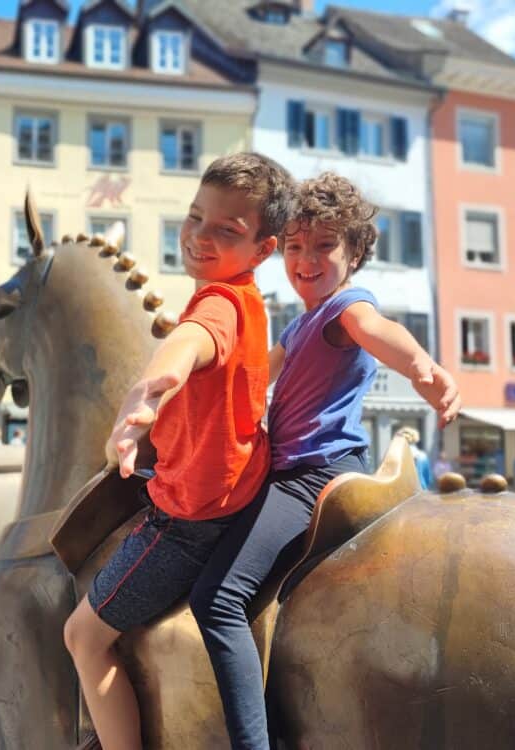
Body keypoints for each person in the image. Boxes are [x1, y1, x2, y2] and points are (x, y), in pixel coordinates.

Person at [188, 172, 461, 749]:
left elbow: (380, 332)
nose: (305, 258)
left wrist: (421, 369)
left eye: (323, 245)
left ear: (356, 251)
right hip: (285, 473)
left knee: (217, 599)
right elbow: (256, 374)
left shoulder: (346, 307)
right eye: (293, 245)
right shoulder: (299, 321)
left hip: (314, 474)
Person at [62, 152, 298, 750]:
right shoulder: (247, 300)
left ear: (263, 250)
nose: (200, 237)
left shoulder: (217, 304)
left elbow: (189, 344)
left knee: (82, 637)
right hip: (238, 492)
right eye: (196, 218)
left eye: (226, 231)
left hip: (189, 521)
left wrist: (148, 390)